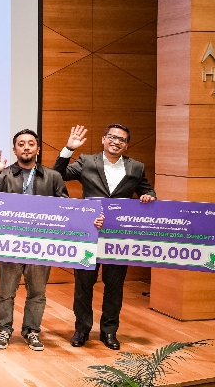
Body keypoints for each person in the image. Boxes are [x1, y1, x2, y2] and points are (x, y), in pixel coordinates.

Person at [54, 124, 157, 351]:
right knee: (83, 284)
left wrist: (149, 196)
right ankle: (82, 329)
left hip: (118, 238)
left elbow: (147, 192)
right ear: (103, 139)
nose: (116, 141)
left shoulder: (136, 168)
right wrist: (68, 149)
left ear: (126, 145)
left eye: (121, 139)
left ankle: (109, 331)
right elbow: (58, 175)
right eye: (112, 137)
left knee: (115, 286)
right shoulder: (87, 162)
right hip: (88, 233)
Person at [0, 129, 83, 352]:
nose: (26, 147)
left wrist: (89, 219)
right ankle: (4, 328)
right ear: (15, 149)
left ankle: (31, 331)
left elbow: (65, 208)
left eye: (30, 144)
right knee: (6, 291)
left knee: (37, 292)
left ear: (37, 148)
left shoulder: (53, 176)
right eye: (21, 144)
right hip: (9, 245)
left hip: (41, 245)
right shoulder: (4, 174)